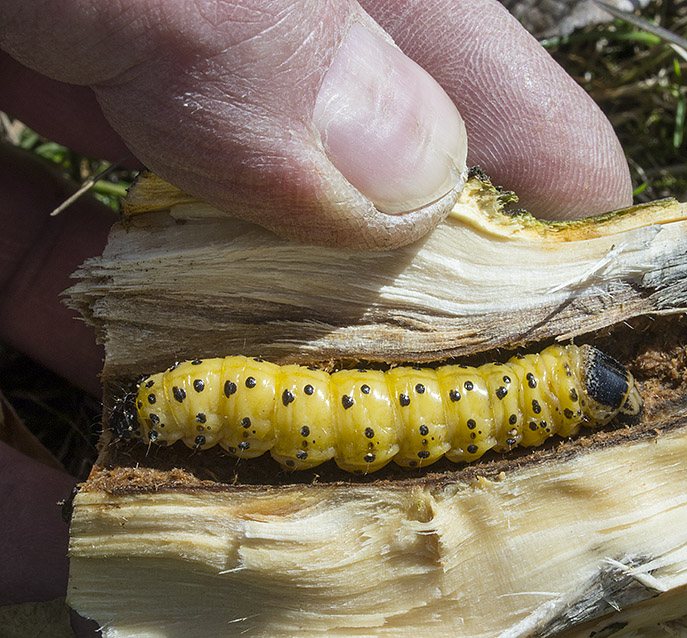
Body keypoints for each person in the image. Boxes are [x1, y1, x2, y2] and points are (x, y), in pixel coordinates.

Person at [0, 1, 632, 634]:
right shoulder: (515, 406)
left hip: (220, 394)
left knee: (384, 413)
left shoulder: (511, 400)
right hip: (216, 398)